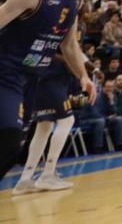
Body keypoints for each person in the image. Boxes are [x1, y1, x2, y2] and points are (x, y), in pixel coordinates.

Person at [0, 0, 96, 187]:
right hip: (6, 71)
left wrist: (83, 76)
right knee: (9, 134)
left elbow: (68, 44)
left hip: (33, 77)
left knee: (14, 147)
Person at [13, 53, 78, 194]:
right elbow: (64, 50)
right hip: (50, 81)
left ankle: (25, 179)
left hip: (41, 81)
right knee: (67, 120)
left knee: (44, 127)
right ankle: (48, 174)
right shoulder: (58, 31)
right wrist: (71, 60)